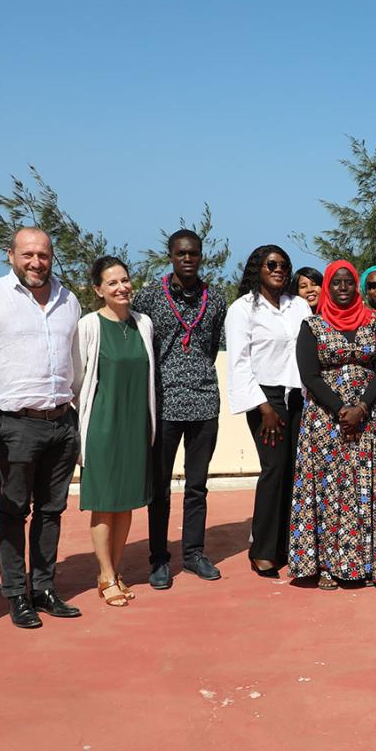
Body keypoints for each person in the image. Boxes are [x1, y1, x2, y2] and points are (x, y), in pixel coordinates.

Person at [0, 227, 84, 630]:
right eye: (27, 254)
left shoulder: (69, 300)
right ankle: (16, 593)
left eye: (43, 255)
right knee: (14, 510)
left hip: (62, 421)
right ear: (10, 255)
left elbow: (75, 360)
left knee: (52, 510)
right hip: (14, 423)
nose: (36, 262)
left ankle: (44, 588)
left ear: (52, 257)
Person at [289, 260, 376, 588]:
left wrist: (361, 408)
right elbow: (309, 374)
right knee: (330, 489)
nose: (342, 288)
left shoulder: (374, 321)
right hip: (326, 419)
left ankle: (372, 563)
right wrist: (342, 410)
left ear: (356, 286)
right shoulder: (312, 325)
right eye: (336, 282)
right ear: (327, 286)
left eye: (348, 282)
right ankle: (327, 565)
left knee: (370, 487)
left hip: (371, 417)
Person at [129, 229, 225, 589]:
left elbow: (212, 346)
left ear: (201, 256)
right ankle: (158, 558)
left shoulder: (215, 299)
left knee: (197, 486)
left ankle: (194, 553)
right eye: (181, 253)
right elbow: (138, 340)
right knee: (160, 488)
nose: (188, 259)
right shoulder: (150, 296)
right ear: (170, 255)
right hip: (164, 403)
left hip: (204, 402)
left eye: (193, 253)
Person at [73, 257, 156, 607]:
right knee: (104, 503)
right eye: (112, 283)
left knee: (126, 502)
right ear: (98, 290)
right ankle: (105, 574)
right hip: (103, 425)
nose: (121, 288)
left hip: (136, 424)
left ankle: (116, 570)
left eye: (124, 280)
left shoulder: (144, 323)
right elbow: (77, 379)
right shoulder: (89, 325)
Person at [225, 245, 312, 577]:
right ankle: (262, 550)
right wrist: (263, 407)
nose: (278, 270)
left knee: (296, 471)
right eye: (271, 264)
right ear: (257, 269)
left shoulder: (298, 305)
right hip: (266, 399)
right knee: (274, 469)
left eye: (284, 265)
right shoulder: (243, 309)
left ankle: (288, 545)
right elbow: (239, 363)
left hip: (299, 397)